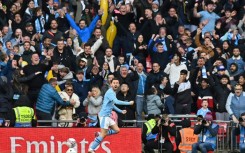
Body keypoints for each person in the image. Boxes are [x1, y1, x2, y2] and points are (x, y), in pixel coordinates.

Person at [88, 78, 134, 153]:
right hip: (103, 116)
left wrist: (120, 111)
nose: (115, 84)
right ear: (111, 84)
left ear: (118, 85)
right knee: (103, 135)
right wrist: (128, 103)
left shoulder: (113, 92)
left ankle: (100, 134)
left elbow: (112, 104)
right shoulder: (110, 92)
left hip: (107, 116)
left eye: (117, 83)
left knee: (117, 130)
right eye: (114, 83)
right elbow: (116, 102)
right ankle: (91, 149)